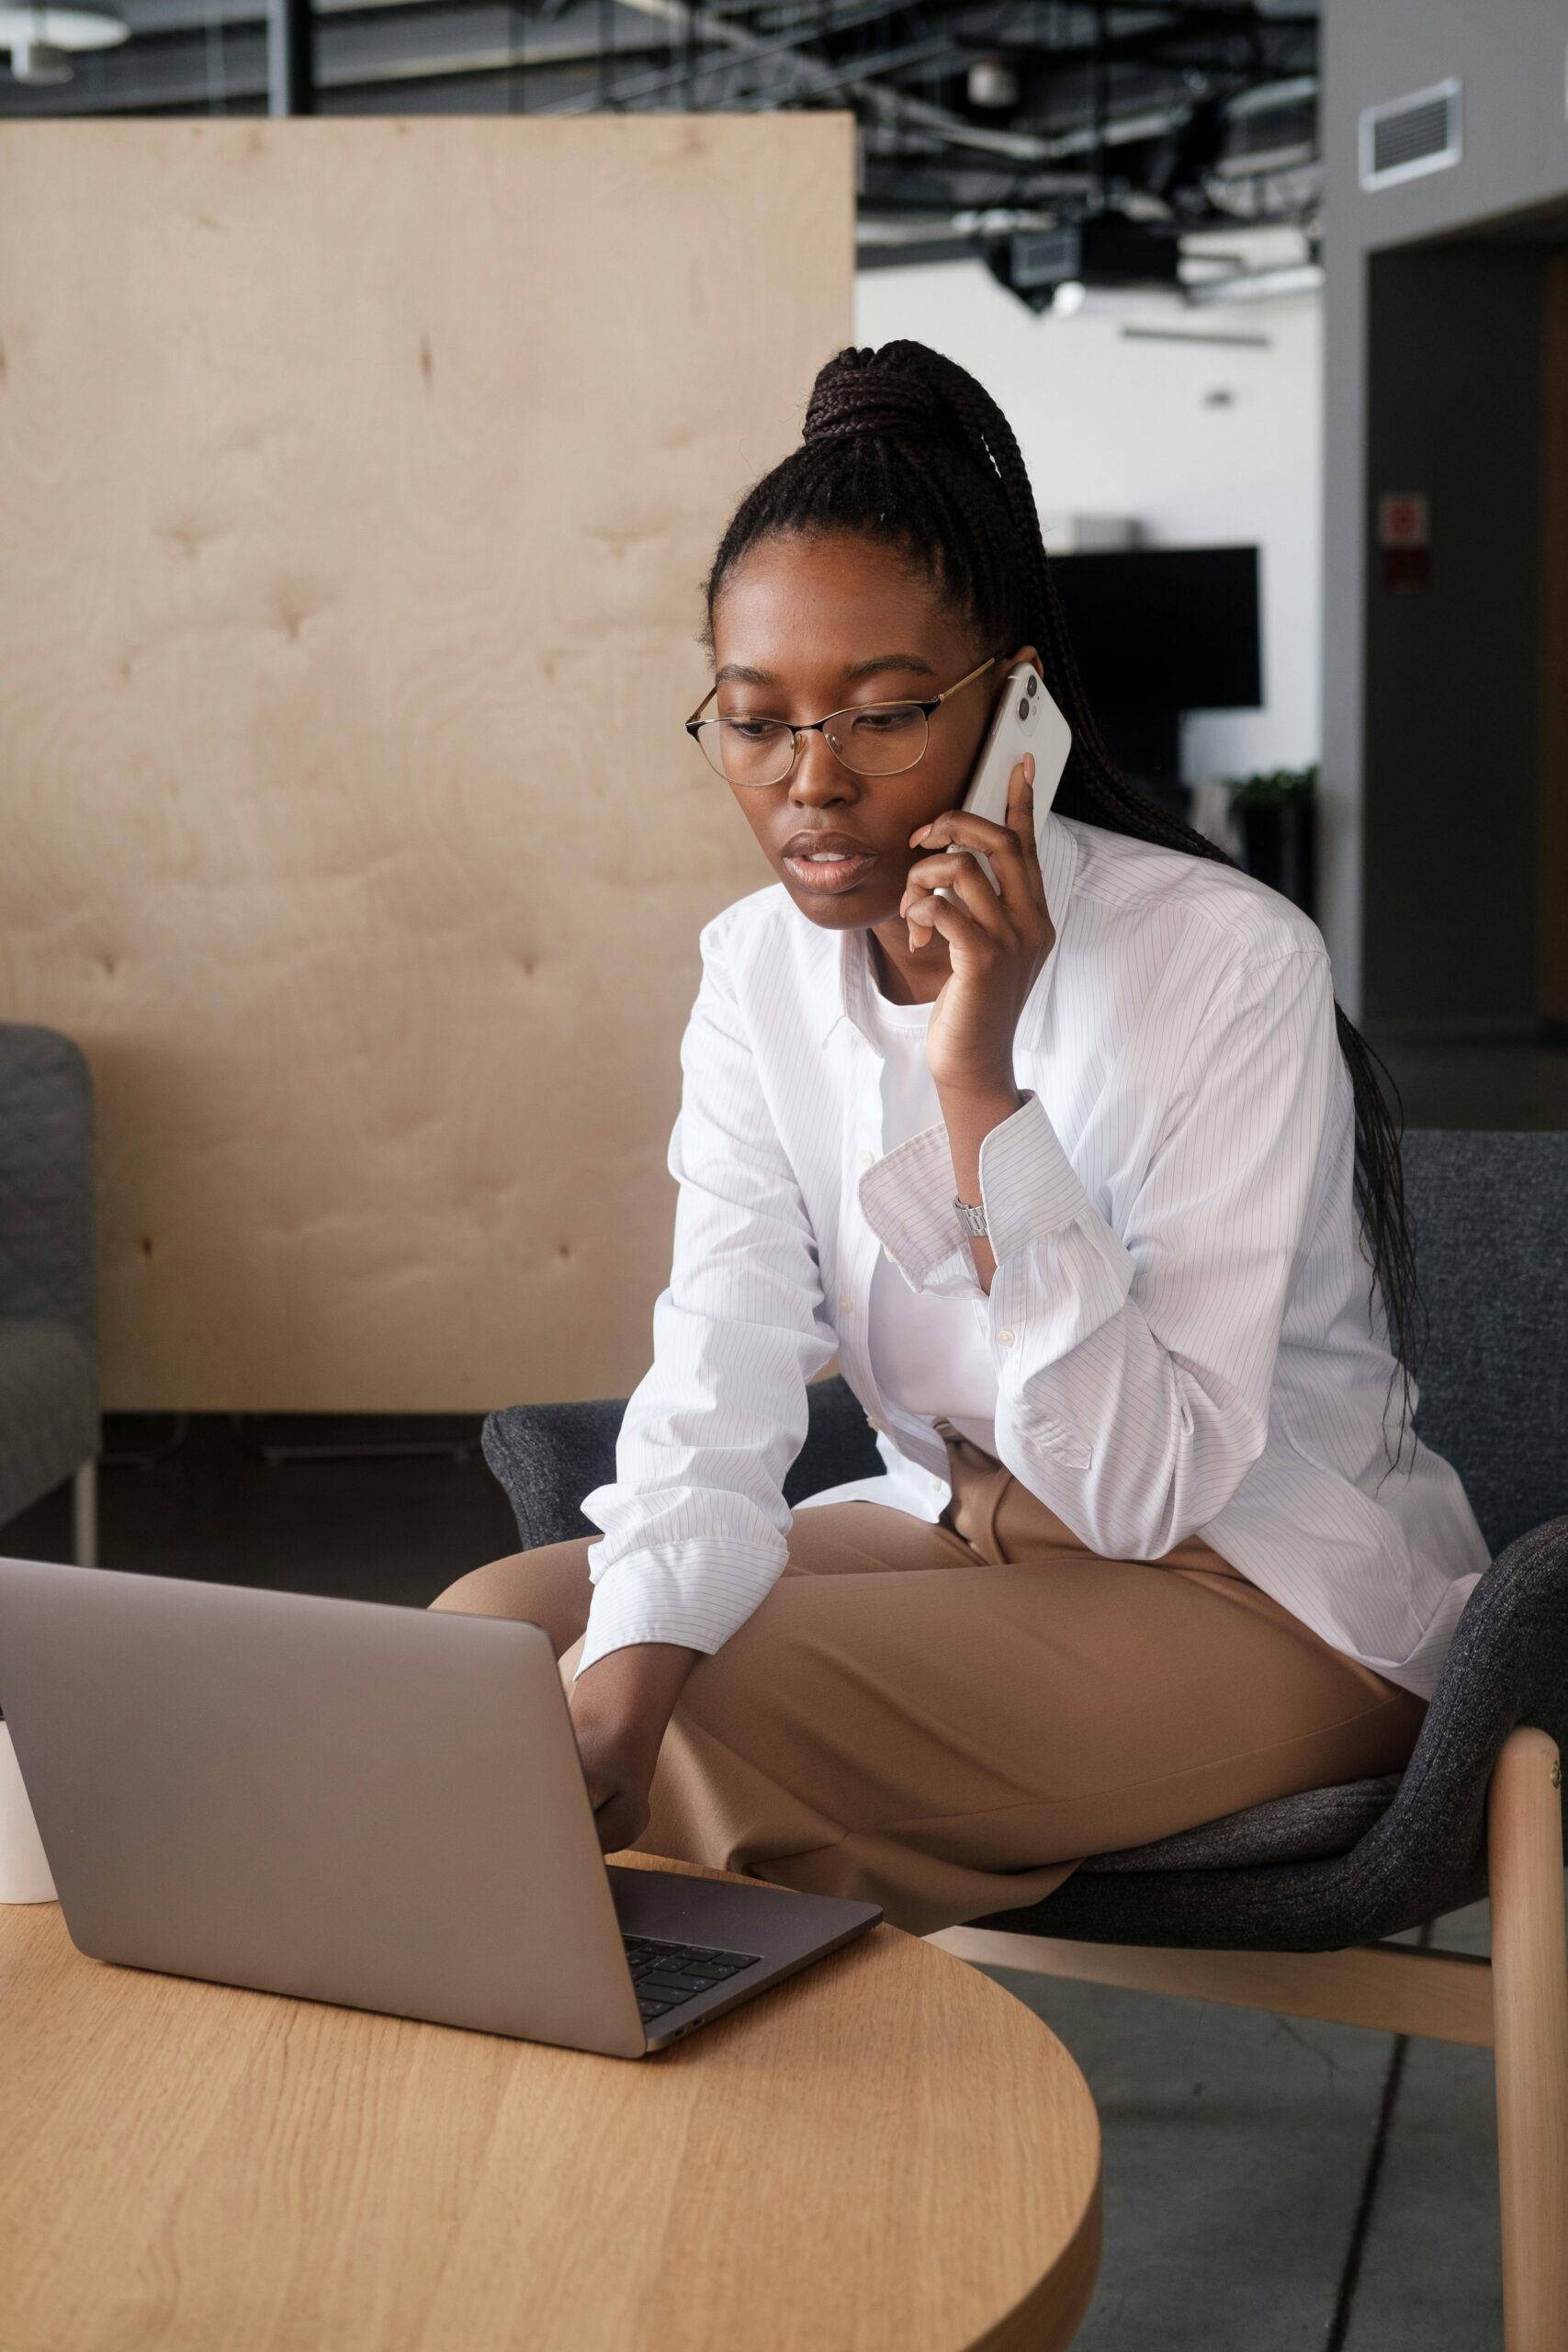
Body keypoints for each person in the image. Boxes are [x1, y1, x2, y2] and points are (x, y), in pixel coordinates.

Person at [433, 341, 1489, 1937]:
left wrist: (976, 1078)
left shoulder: (1227, 961)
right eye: (753, 721)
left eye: (881, 717)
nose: (812, 785)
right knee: (485, 1648)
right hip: (963, 1536)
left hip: (1267, 1592)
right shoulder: (752, 971)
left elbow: (1142, 1494)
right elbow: (715, 1366)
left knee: (704, 1718)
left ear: (1014, 711)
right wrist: (618, 1679)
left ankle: (774, 2166)